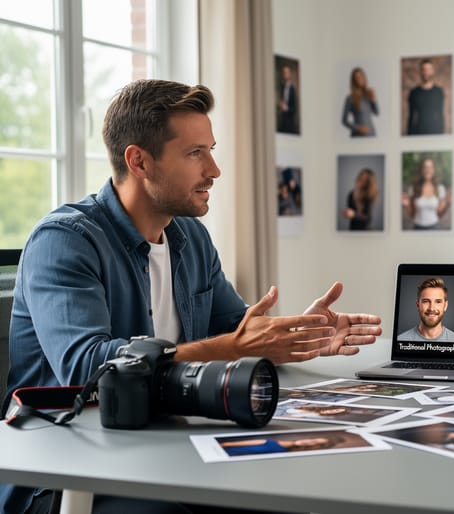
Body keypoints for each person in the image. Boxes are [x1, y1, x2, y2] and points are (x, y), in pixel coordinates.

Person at [2, 79, 383, 514]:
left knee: (292, 489)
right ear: (139, 161)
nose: (214, 170)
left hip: (163, 444)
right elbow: (89, 367)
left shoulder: (190, 237)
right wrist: (233, 347)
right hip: (65, 468)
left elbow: (236, 329)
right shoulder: (65, 240)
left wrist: (294, 332)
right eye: (195, 153)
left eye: (211, 150)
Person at [397, 277, 454, 342]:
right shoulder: (400, 340)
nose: (431, 308)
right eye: (426, 301)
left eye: (438, 302)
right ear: (417, 305)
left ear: (445, 305)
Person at [401, 157, 450, 230]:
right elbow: (412, 215)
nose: (428, 170)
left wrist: (448, 204)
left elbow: (439, 214)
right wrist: (406, 205)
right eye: (425, 167)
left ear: (434, 170)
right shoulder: (413, 188)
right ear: (421, 170)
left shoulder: (440, 188)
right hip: (417, 227)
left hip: (434, 227)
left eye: (431, 167)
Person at [406, 59, 445, 135]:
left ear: (432, 71)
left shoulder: (438, 92)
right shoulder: (414, 93)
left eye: (428, 69)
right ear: (420, 72)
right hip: (418, 133)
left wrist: (441, 135)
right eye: (424, 69)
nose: (426, 72)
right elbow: (410, 117)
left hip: (435, 133)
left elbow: (441, 115)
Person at [219, 434, 345, 456]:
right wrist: (226, 444)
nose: (309, 442)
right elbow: (249, 443)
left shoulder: (288, 452)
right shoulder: (274, 442)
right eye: (313, 440)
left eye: (314, 444)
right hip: (230, 450)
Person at [341, 67, 378, 137]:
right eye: (357, 77)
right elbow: (344, 120)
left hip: (372, 134)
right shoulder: (350, 98)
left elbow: (377, 113)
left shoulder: (369, 94)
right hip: (358, 135)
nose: (359, 79)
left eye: (361, 76)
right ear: (354, 80)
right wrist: (358, 128)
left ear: (364, 78)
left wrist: (374, 100)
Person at [277, 64, 298, 134]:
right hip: (282, 121)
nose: (285, 74)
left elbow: (294, 108)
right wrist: (280, 104)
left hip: (289, 123)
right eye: (284, 72)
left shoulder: (292, 89)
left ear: (290, 74)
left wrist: (287, 108)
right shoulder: (282, 87)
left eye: (287, 72)